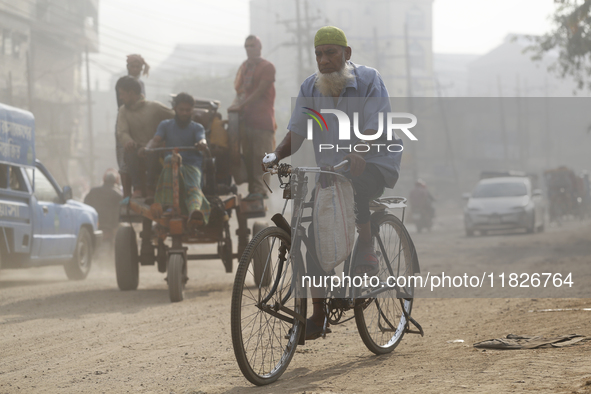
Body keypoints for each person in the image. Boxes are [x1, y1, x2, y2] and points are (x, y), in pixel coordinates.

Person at [262, 26, 403, 340]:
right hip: (332, 170)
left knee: (357, 189)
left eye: (330, 53)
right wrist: (276, 154)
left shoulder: (369, 80)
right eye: (319, 54)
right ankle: (318, 315)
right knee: (314, 233)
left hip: (375, 161)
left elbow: (378, 126)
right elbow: (297, 132)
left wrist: (359, 150)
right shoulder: (311, 87)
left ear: (346, 54)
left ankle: (366, 246)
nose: (323, 60)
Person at [141, 93, 211, 226]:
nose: (184, 113)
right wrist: (147, 148)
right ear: (174, 108)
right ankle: (167, 205)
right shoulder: (165, 125)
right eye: (181, 110)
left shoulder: (197, 128)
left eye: (188, 110)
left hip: (192, 167)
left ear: (192, 110)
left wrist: (202, 143)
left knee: (193, 189)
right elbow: (155, 140)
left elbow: (202, 139)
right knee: (169, 159)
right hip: (171, 167)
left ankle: (195, 212)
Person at [228, 35, 276, 201]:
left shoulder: (267, 67)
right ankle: (253, 190)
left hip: (263, 121)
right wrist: (235, 108)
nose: (249, 49)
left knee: (261, 156)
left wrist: (241, 105)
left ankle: (261, 190)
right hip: (246, 120)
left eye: (252, 46)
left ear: (259, 47)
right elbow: (240, 92)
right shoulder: (244, 67)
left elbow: (260, 91)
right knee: (247, 157)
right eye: (246, 46)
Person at [116, 76, 174, 198]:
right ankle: (137, 188)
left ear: (131, 93)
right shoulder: (123, 111)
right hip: (136, 148)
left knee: (152, 152)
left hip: (155, 149)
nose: (120, 97)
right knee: (129, 152)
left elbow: (175, 118)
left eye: (122, 94)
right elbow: (122, 131)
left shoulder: (155, 107)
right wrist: (128, 141)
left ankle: (150, 187)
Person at [115, 54, 150, 197]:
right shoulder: (122, 84)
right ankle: (127, 194)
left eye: (138, 67)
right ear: (128, 67)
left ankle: (141, 188)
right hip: (124, 121)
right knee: (124, 156)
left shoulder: (141, 84)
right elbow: (122, 105)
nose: (135, 69)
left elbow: (143, 104)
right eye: (132, 66)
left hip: (139, 122)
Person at [84, 169, 123, 246]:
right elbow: (121, 210)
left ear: (104, 180)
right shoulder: (118, 194)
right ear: (115, 181)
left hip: (95, 222)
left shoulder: (93, 191)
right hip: (112, 225)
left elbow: (85, 204)